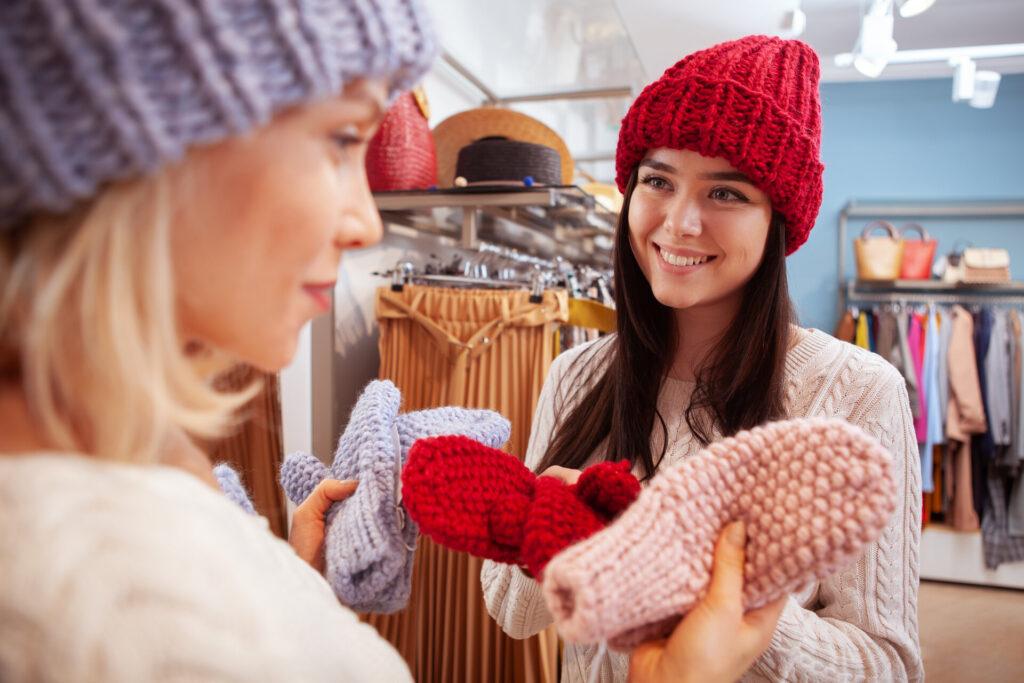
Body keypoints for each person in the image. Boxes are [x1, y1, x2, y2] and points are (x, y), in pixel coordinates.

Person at [0, 3, 800, 682]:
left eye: (727, 192)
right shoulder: (85, 570)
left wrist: (287, 580)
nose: (368, 220)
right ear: (155, 139)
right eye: (344, 138)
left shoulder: (132, 454)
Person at [482, 35, 924, 682]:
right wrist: (549, 519)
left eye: (726, 193)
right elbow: (512, 614)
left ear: (777, 220)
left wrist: (718, 594)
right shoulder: (576, 374)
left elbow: (888, 665)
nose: (680, 221)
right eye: (657, 180)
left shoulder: (856, 392)